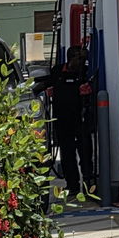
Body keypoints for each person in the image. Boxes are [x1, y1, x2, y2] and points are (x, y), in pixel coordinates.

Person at [36, 45, 96, 200]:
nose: (81, 62)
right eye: (79, 58)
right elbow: (46, 84)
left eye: (83, 59)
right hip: (62, 120)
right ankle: (72, 186)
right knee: (67, 154)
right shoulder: (57, 71)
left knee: (85, 152)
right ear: (71, 58)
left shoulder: (85, 73)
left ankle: (89, 184)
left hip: (81, 119)